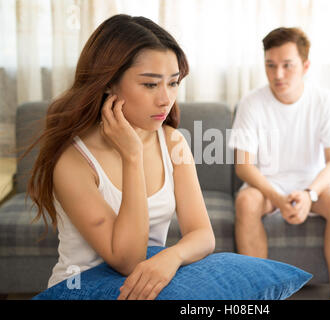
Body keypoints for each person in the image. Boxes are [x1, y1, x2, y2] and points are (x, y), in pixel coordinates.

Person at [25, 14, 215, 300]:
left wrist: (171, 257)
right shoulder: (73, 161)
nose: (166, 99)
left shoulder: (173, 142)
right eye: (150, 85)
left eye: (173, 83)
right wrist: (132, 157)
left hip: (143, 287)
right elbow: (126, 260)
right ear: (109, 83)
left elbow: (203, 235)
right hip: (79, 289)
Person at [228, 27, 330, 300]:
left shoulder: (326, 100)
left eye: (287, 65)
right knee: (246, 202)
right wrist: (278, 197)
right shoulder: (251, 103)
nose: (278, 75)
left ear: (305, 65)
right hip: (268, 186)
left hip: (312, 184)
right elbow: (244, 166)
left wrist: (310, 194)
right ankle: (258, 298)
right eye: (270, 66)